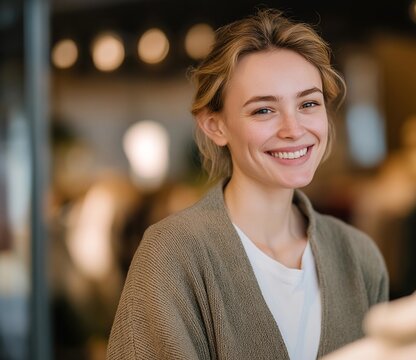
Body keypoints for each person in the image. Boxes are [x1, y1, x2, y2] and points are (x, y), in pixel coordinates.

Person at [106, 9, 389, 360]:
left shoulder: (358, 256)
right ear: (215, 125)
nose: (294, 129)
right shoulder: (172, 254)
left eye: (308, 103)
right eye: (263, 111)